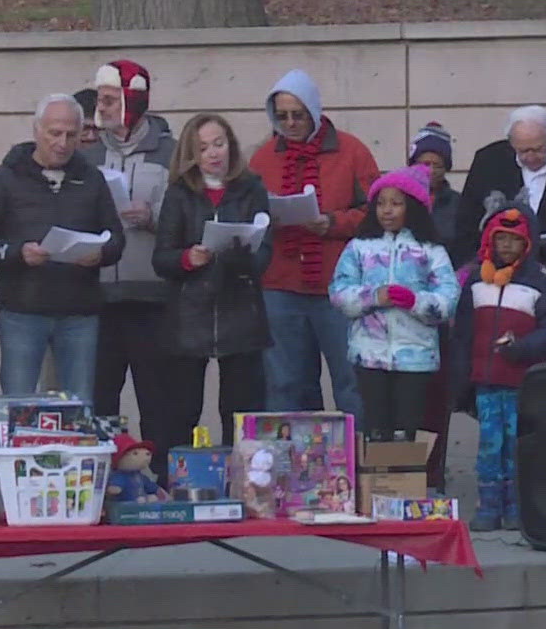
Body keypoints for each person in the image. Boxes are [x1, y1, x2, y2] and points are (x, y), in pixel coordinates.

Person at [0, 94, 126, 404]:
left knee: (79, 406)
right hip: (22, 310)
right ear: (37, 130)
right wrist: (17, 253)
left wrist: (101, 254)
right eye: (55, 133)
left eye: (71, 135)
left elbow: (116, 238)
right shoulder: (4, 179)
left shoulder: (92, 179)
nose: (62, 143)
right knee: (18, 404)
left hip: (79, 310)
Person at [249, 69, 379, 417]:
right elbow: (246, 211)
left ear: (314, 111)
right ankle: (291, 467)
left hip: (338, 285)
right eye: (282, 116)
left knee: (350, 382)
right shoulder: (262, 157)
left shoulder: (352, 151)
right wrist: (266, 218)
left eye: (298, 115)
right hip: (280, 284)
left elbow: (376, 210)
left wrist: (332, 223)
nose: (290, 123)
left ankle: (357, 463)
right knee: (285, 384)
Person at [148, 113, 271, 462]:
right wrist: (189, 258)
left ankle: (246, 482)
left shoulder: (252, 189)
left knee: (241, 410)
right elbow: (162, 258)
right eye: (204, 148)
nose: (214, 153)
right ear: (192, 154)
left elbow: (265, 255)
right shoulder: (180, 194)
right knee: (181, 410)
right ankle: (176, 482)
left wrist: (240, 253)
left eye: (219, 144)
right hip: (190, 315)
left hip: (240, 312)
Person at [446, 194, 546, 531]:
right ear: (489, 239)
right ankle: (489, 505)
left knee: (518, 445)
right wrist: (461, 381)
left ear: (528, 243)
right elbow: (462, 335)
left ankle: (517, 505)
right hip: (485, 382)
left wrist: (525, 347)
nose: (507, 246)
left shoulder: (542, 283)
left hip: (523, 383)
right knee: (489, 446)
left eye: (515, 240)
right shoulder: (476, 281)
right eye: (501, 238)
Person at [330, 167, 459, 438]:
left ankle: (407, 479)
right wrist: (373, 297)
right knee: (376, 428)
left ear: (412, 207)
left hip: (416, 357)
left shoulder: (431, 250)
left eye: (396, 203)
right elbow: (339, 291)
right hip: (369, 355)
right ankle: (378, 479)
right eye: (381, 203)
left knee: (407, 429)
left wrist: (415, 301)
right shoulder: (359, 247)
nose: (387, 211)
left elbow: (449, 297)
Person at [81, 60, 176, 422]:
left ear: (131, 101)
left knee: (157, 399)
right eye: (99, 99)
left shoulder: (171, 153)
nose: (100, 108)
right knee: (99, 400)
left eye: (108, 99)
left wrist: (152, 219)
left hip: (151, 296)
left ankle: (161, 470)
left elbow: (187, 220)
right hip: (99, 296)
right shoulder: (87, 157)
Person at [453, 105, 546, 304]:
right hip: (500, 278)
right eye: (523, 151)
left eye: (539, 149)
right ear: (511, 143)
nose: (531, 157)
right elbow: (467, 220)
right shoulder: (488, 161)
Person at [408, 122, 461, 490]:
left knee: (436, 396)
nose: (429, 171)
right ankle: (401, 473)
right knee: (404, 397)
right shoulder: (400, 202)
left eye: (437, 163)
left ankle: (433, 473)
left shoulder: (459, 206)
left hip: (442, 311)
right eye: (422, 163)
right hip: (402, 312)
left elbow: (469, 250)